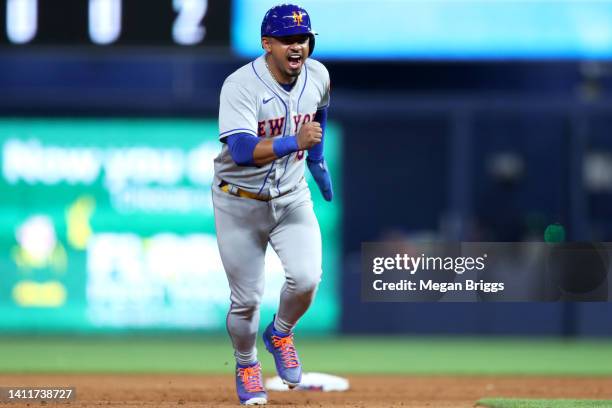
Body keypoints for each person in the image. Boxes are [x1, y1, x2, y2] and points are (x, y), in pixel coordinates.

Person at [211, 3, 333, 405]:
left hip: (291, 196)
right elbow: (243, 149)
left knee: (307, 279)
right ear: (267, 44)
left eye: (303, 39)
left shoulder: (317, 74)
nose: (296, 46)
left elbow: (320, 112)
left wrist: (316, 159)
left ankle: (280, 332)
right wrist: (294, 144)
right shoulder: (240, 85)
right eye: (287, 39)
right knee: (246, 301)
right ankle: (246, 364)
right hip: (238, 202)